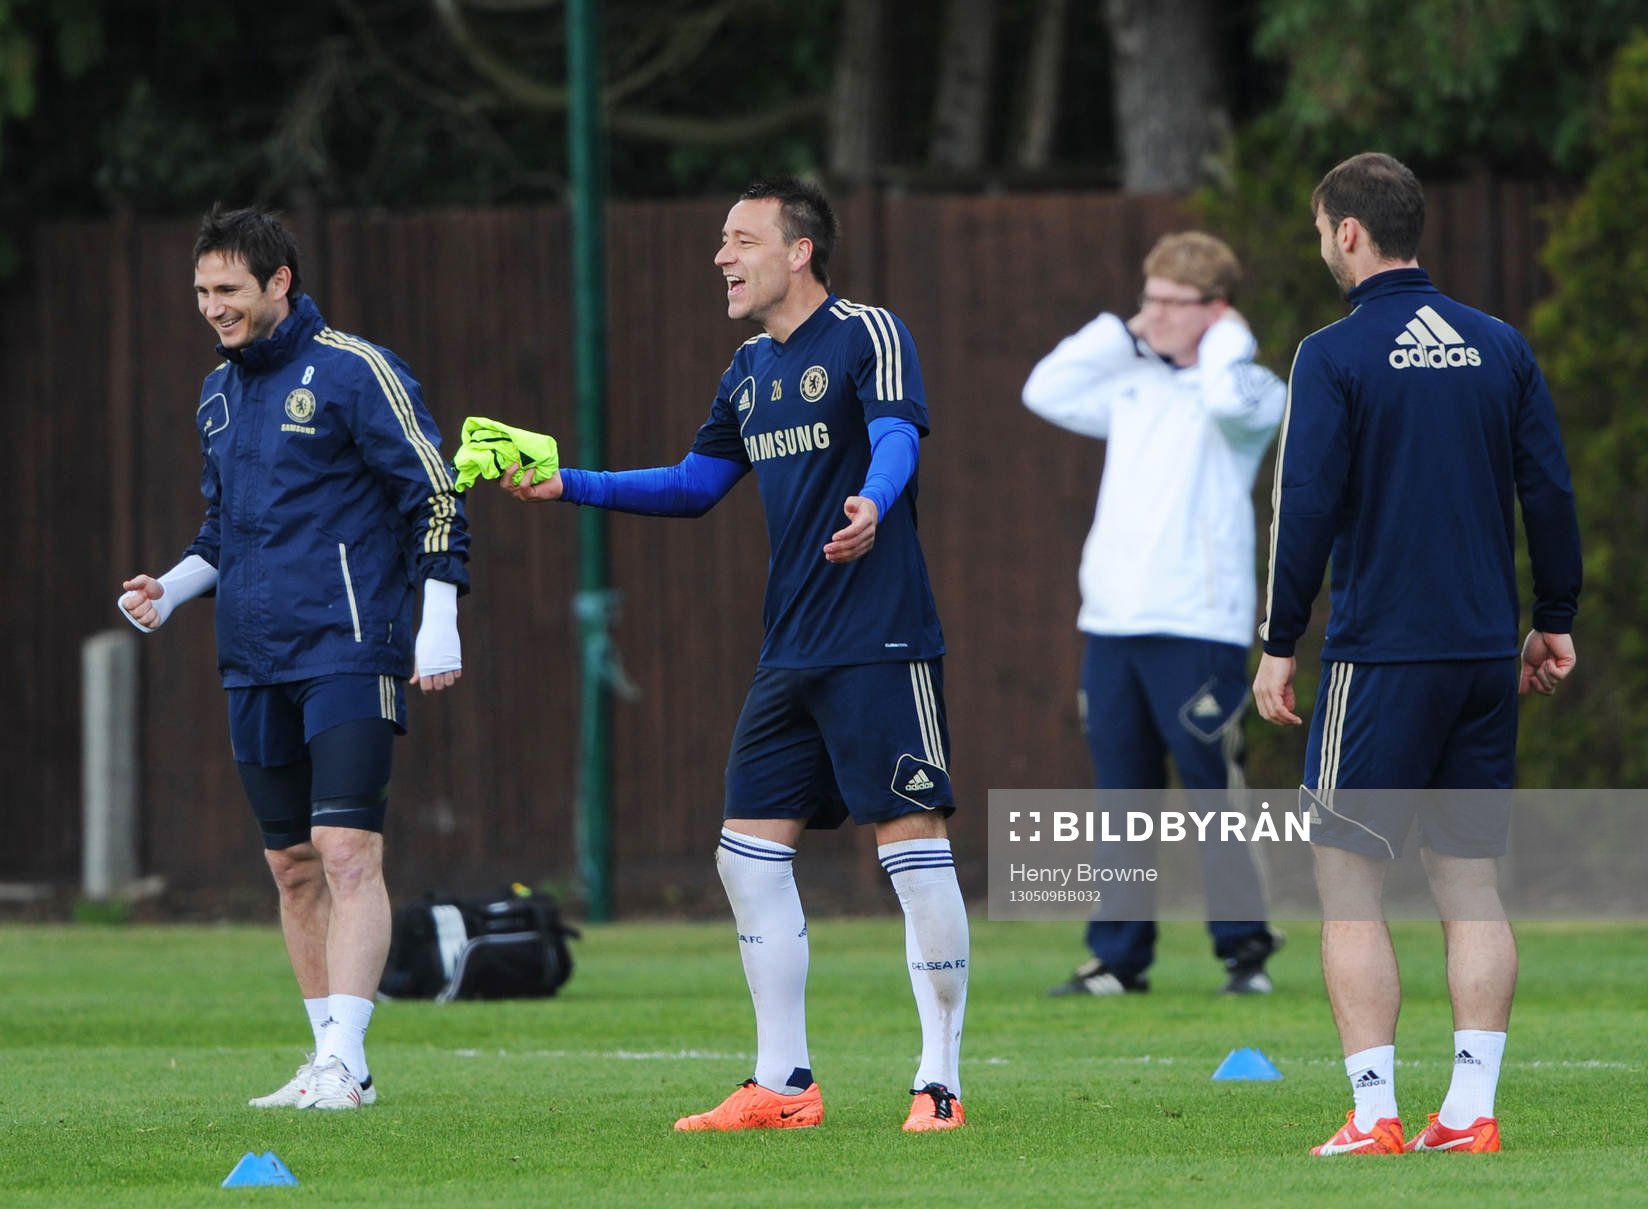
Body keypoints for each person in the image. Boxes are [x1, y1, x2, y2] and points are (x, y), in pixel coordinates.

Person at [499, 177, 970, 1133]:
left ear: (799, 251)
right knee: (746, 858)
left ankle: (940, 1082)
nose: (722, 254)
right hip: (790, 648)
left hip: (880, 641)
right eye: (722, 238)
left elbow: (895, 436)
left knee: (911, 845)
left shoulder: (869, 334)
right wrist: (567, 484)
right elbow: (692, 484)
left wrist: (874, 504)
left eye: (741, 238)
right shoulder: (748, 370)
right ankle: (785, 1084)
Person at [1253, 153, 1581, 1156]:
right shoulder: (1499, 345)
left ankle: (1373, 1113)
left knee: (1347, 882)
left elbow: (1301, 507)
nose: (1321, 246)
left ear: (1349, 232)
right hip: (1485, 653)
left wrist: (1278, 642)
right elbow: (1550, 493)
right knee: (1468, 882)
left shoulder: (1332, 353)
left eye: (1320, 230)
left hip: (1380, 658)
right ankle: (1470, 1111)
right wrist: (1552, 615)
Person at [118, 206, 469, 1110]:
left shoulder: (357, 371)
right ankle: (324, 1058)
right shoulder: (217, 395)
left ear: (279, 283)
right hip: (253, 659)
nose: (212, 308)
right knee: (292, 867)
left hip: (351, 647)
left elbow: (435, 492)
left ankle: (347, 1062)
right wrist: (170, 586)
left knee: (348, 848)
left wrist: (440, 616)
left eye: (227, 289)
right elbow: (220, 531)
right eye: (200, 292)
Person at [1022, 231, 1286, 997]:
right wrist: (1123, 331)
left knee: (1212, 789)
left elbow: (1226, 396)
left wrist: (1224, 337)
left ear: (1218, 310)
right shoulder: (1131, 388)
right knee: (1122, 795)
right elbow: (1044, 388)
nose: (1154, 315)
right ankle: (1118, 958)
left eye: (1174, 302)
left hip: (1199, 623)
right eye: (1150, 297)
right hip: (1112, 622)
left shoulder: (1249, 389)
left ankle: (1246, 952)